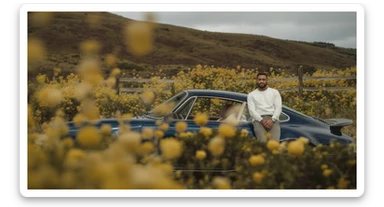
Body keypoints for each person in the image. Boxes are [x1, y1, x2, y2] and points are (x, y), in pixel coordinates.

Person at [247, 72, 282, 142]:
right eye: (259, 80)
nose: (261, 81)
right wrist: (261, 120)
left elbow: (278, 107)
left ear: (267, 81)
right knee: (262, 142)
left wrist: (272, 120)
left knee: (274, 143)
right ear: (257, 81)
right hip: (258, 120)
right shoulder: (251, 95)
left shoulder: (274, 92)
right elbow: (252, 111)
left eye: (263, 79)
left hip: (273, 119)